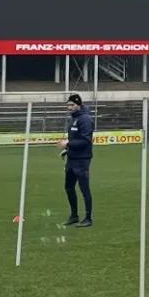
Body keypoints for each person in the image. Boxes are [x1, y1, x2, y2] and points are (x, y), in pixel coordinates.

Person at [58, 94, 94, 227]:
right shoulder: (74, 119)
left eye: (72, 105)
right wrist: (67, 150)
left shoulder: (85, 119)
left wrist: (67, 145)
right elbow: (74, 139)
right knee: (69, 187)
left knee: (84, 188)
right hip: (72, 159)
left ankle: (88, 218)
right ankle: (74, 216)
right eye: (68, 105)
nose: (70, 107)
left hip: (82, 160)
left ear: (79, 104)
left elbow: (86, 141)